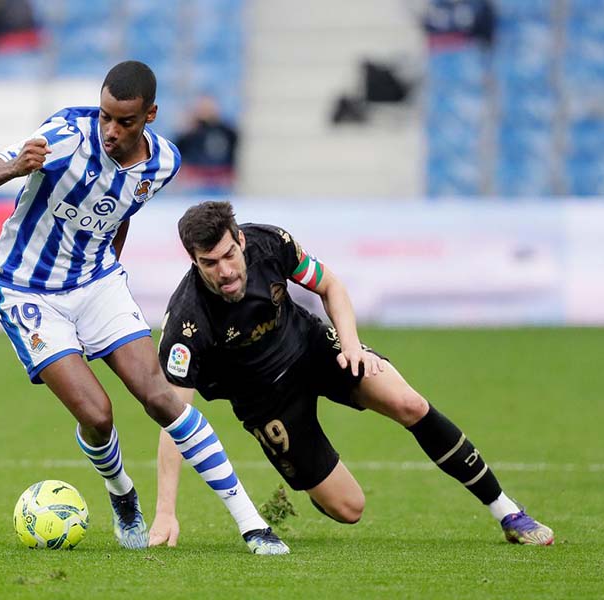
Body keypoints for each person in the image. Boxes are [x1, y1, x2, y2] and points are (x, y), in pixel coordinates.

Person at [0, 62, 287, 555]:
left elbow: (121, 210)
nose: (111, 130)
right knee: (99, 414)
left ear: (150, 115)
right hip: (27, 291)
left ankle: (251, 523)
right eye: (106, 116)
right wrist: (13, 168)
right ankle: (122, 493)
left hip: (96, 282)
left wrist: (107, 267)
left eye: (125, 121)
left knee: (161, 397)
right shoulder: (64, 136)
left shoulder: (165, 163)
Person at [148, 200, 554, 547]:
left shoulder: (272, 243)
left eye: (229, 255)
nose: (225, 272)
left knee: (408, 402)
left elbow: (331, 287)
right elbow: (175, 421)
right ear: (193, 260)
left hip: (311, 346)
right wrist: (165, 512)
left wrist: (352, 346)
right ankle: (312, 482)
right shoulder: (187, 324)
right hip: (265, 400)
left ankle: (508, 513)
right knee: (349, 509)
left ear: (240, 239)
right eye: (209, 263)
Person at [173, 95, 238, 194]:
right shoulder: (191, 131)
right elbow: (178, 151)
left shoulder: (226, 131)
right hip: (195, 182)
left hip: (219, 181)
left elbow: (232, 152)